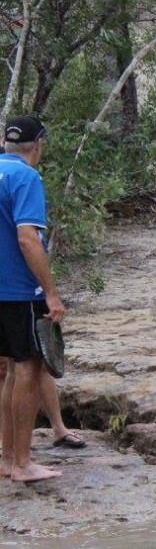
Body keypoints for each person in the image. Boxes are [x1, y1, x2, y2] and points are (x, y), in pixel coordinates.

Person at [0, 115, 66, 483]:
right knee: (27, 368)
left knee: (10, 370)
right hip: (19, 290)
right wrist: (51, 292)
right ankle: (23, 463)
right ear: (37, 145)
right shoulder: (26, 178)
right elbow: (28, 239)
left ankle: (9, 458)